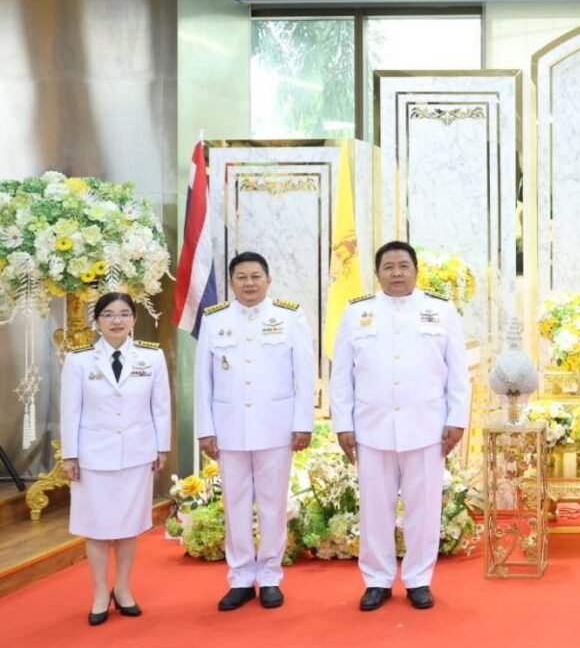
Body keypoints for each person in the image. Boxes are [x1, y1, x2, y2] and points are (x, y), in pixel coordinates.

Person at [329, 240, 470, 612]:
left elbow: (458, 372)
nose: (396, 273)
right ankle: (376, 580)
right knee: (375, 510)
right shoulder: (356, 312)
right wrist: (343, 424)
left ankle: (419, 579)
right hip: (372, 428)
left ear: (416, 271)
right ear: (377, 274)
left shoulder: (440, 310)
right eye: (388, 267)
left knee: (424, 509)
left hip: (426, 428)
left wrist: (457, 419)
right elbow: (341, 376)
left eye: (403, 266)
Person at [194, 251, 316, 611]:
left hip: (275, 428)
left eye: (256, 276)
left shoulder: (289, 316)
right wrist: (205, 429)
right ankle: (241, 578)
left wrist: (303, 423)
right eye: (242, 277)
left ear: (268, 279)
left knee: (273, 505)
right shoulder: (215, 320)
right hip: (229, 428)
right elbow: (203, 379)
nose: (249, 283)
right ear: (231, 282)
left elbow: (305, 373)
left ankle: (271, 576)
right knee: (234, 504)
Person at [59, 292, 171, 626]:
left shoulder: (151, 357)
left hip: (137, 453)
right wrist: (70, 454)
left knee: (128, 526)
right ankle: (99, 592)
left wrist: (161, 447)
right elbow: (70, 411)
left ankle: (122, 588)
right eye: (108, 314)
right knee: (95, 528)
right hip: (93, 456)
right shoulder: (79, 360)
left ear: (134, 319)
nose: (117, 321)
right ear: (97, 321)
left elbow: (161, 406)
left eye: (124, 314)